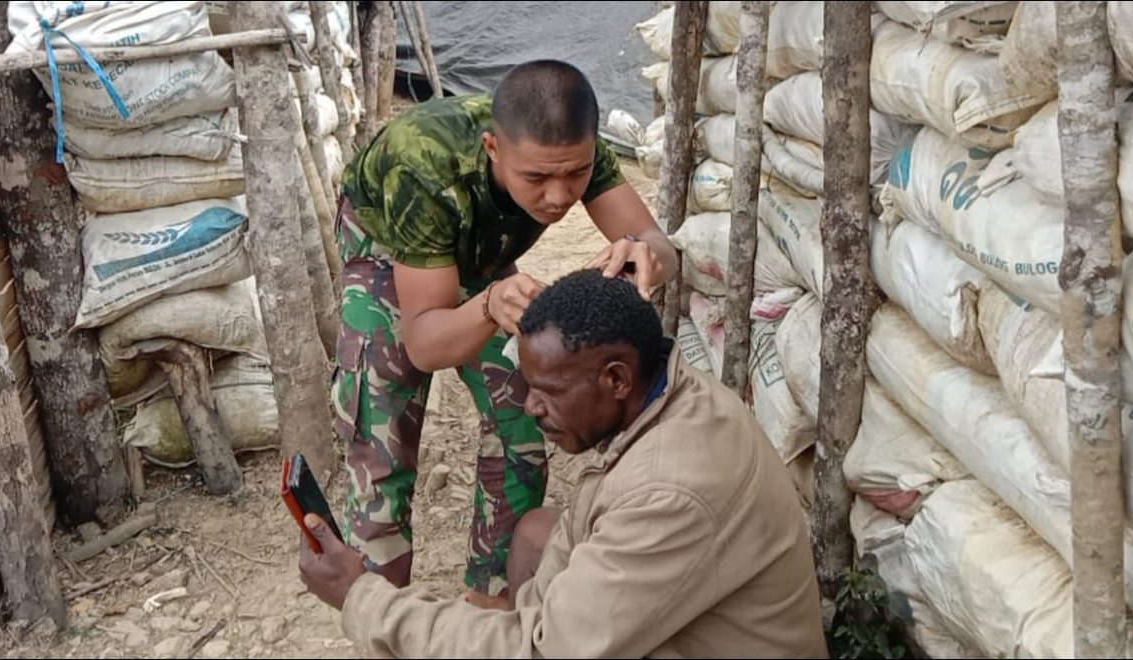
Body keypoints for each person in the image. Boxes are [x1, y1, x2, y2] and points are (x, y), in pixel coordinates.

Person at [301, 269, 830, 658]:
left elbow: (545, 653)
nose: (530, 406)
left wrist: (363, 598)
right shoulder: (669, 391)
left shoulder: (670, 488)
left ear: (617, 380)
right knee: (534, 533)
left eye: (549, 391)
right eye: (528, 386)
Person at [331, 59, 679, 609]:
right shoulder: (422, 164)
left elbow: (659, 246)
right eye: (537, 178)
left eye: (576, 174)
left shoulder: (572, 148)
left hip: (480, 252)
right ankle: (380, 615)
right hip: (388, 250)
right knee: (384, 428)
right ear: (493, 148)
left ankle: (491, 601)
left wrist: (645, 256)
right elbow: (424, 343)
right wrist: (488, 303)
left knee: (525, 410)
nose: (560, 197)